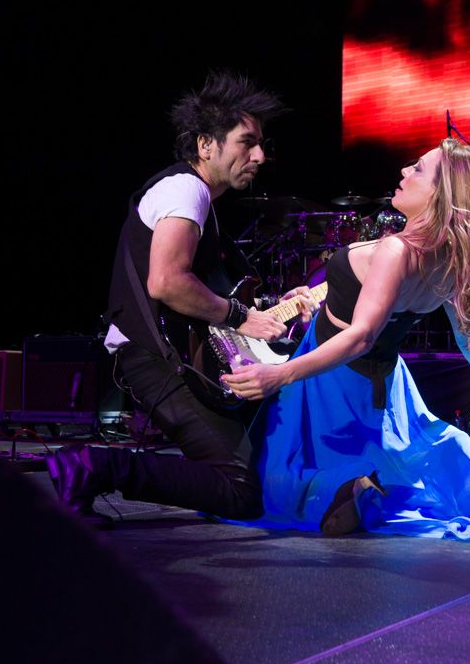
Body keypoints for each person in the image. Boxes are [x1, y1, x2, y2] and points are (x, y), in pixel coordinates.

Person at [220, 138, 470, 543]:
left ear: (442, 196)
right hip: (384, 382)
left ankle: (350, 487)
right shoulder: (450, 257)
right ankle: (362, 488)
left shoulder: (397, 251)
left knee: (276, 477)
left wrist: (280, 374)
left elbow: (360, 336)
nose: (404, 172)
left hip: (333, 378)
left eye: (418, 170)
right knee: (368, 453)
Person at [48, 71, 313, 520]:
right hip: (155, 361)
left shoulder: (199, 200)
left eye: (262, 144)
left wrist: (271, 308)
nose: (260, 156)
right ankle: (92, 464)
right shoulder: (185, 189)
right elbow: (167, 283)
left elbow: (210, 297)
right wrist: (239, 315)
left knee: (252, 472)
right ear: (206, 144)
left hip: (173, 358)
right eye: (246, 143)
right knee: (238, 491)